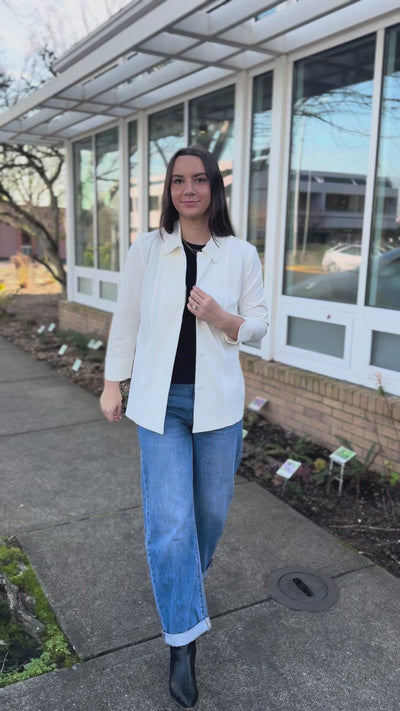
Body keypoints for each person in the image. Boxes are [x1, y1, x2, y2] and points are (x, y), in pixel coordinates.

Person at [100, 145, 268, 709]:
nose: (188, 190)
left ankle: (181, 588)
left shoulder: (240, 253)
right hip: (161, 405)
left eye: (199, 180)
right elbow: (126, 319)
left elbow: (260, 324)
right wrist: (112, 383)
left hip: (217, 408)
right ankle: (182, 641)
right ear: (168, 191)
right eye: (177, 181)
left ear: (215, 188)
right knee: (171, 525)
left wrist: (222, 318)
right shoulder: (148, 249)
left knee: (209, 518)